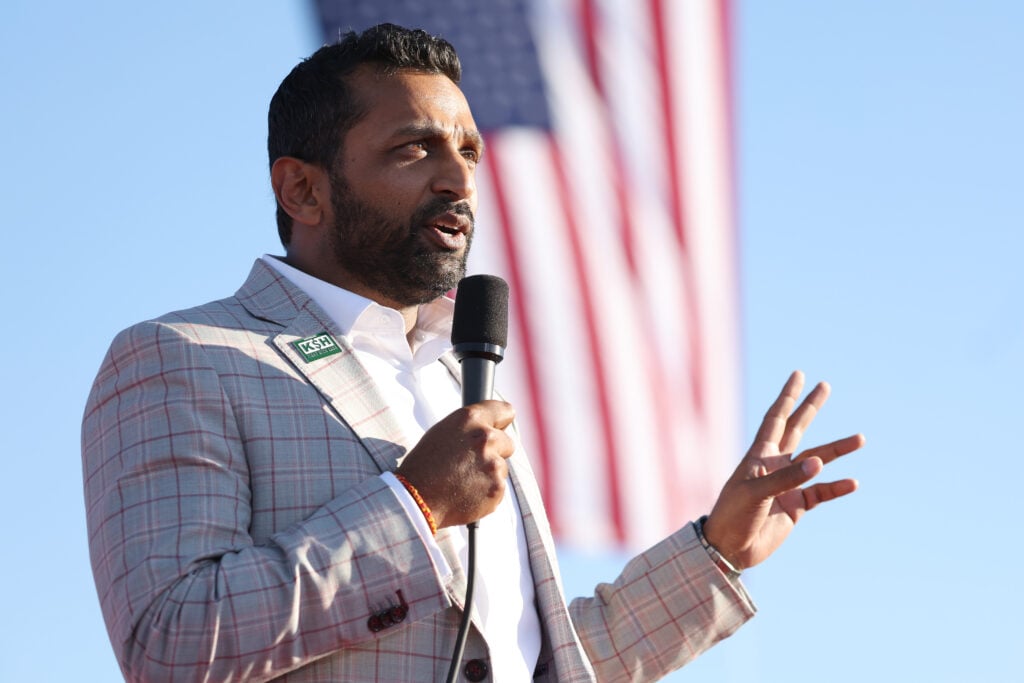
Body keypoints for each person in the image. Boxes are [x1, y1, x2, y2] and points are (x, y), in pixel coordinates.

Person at [82, 23, 864, 683]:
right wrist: (414, 509)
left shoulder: (458, 376)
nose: (459, 178)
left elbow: (525, 656)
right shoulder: (181, 357)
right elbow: (171, 639)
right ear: (303, 191)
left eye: (469, 152)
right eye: (414, 149)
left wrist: (715, 550)